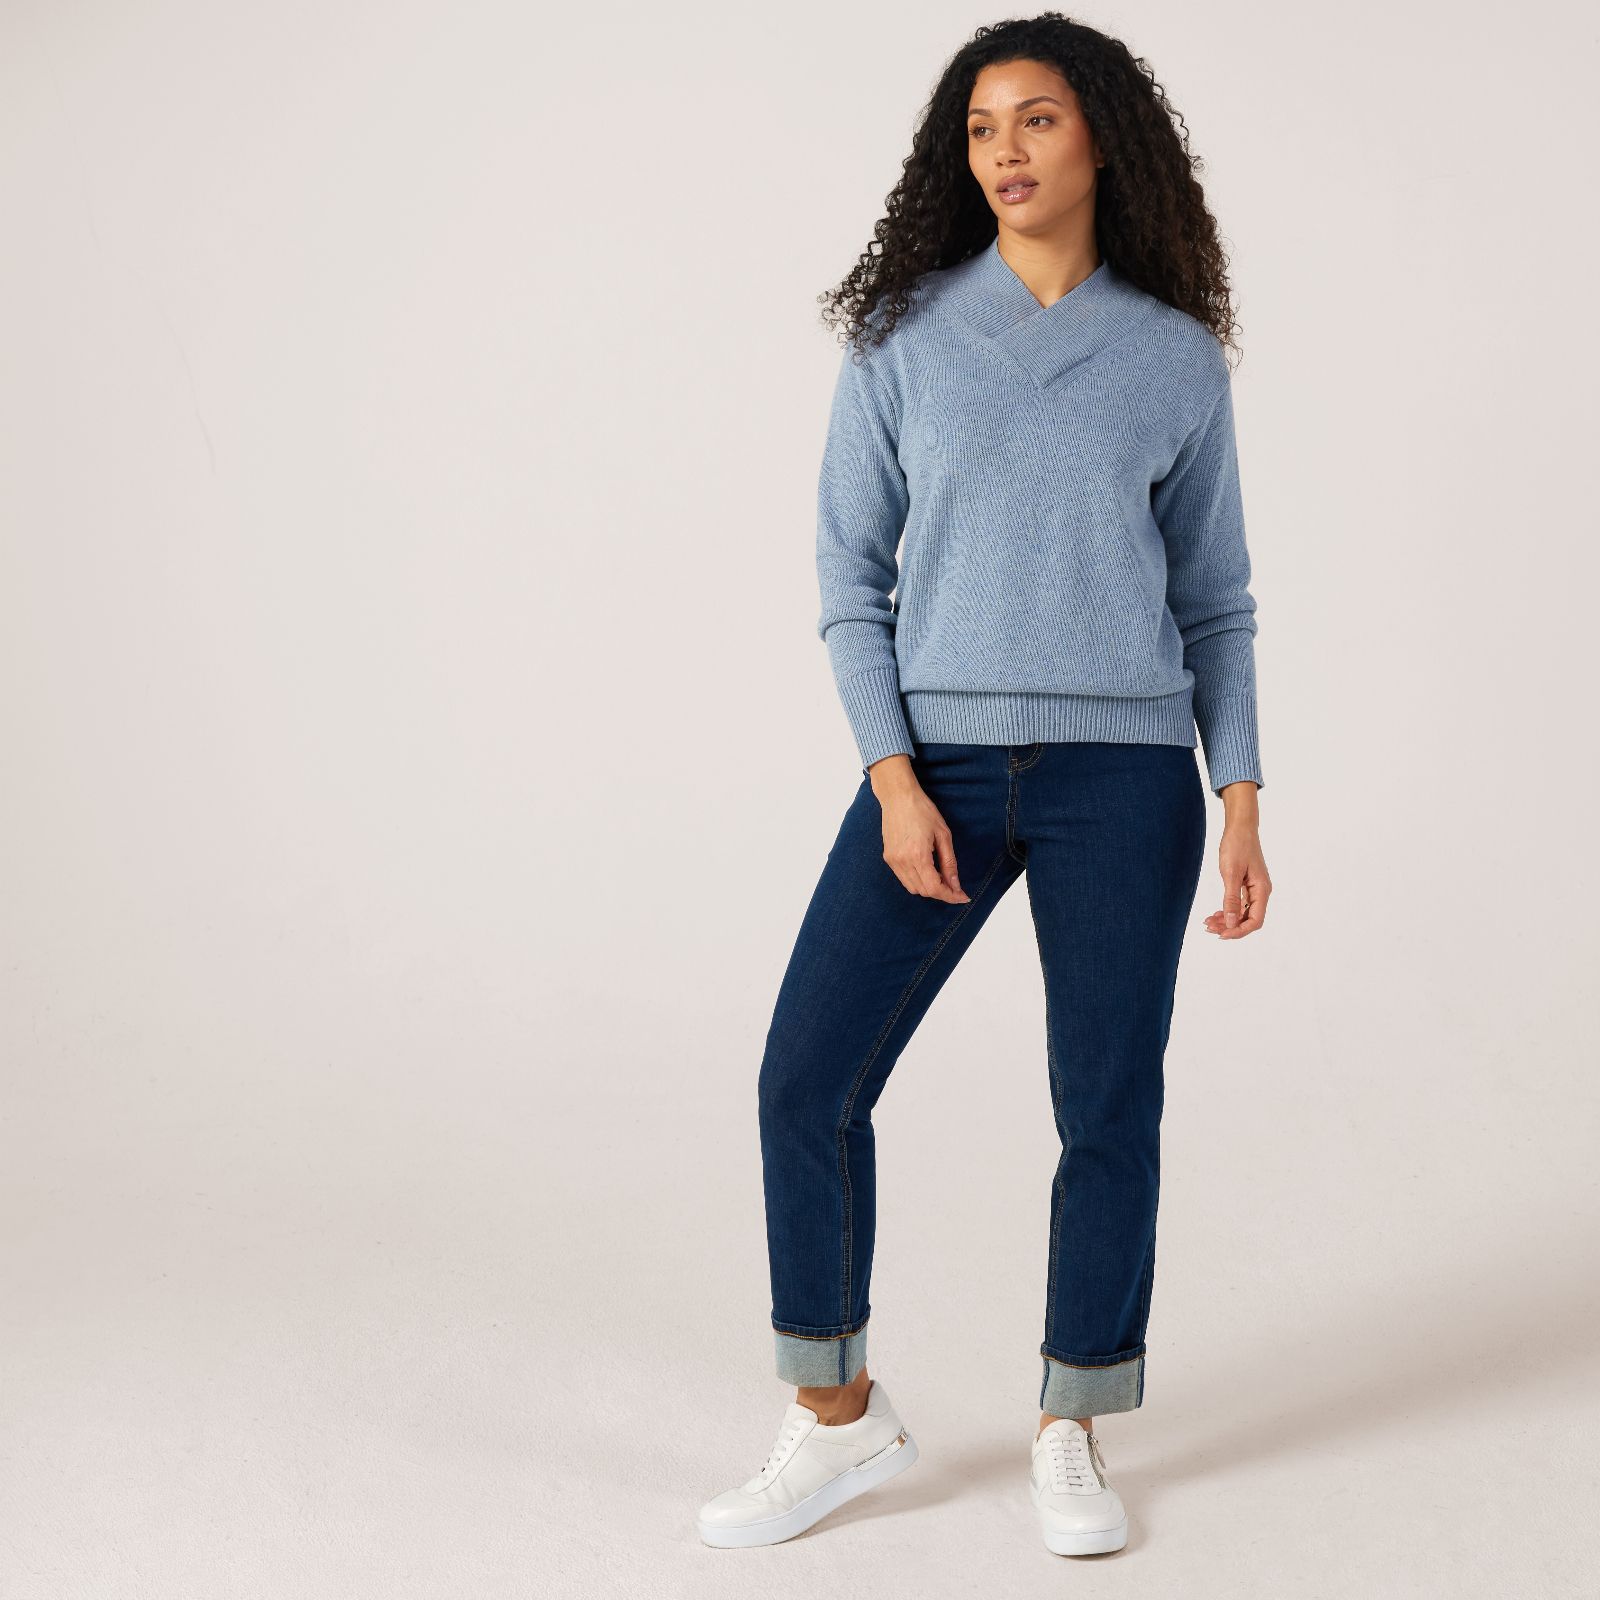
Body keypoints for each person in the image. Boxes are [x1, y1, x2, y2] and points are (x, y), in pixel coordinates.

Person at [696, 12, 1272, 1558]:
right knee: (807, 1079)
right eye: (979, 128)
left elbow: (1216, 601)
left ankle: (1072, 1421)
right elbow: (849, 578)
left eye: (1036, 120)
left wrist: (1240, 794)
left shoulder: (1173, 357)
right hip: (936, 765)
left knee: (1106, 1102)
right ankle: (837, 1414)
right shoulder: (904, 338)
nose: (1004, 151)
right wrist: (892, 774)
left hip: (1126, 777)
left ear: (1105, 144)